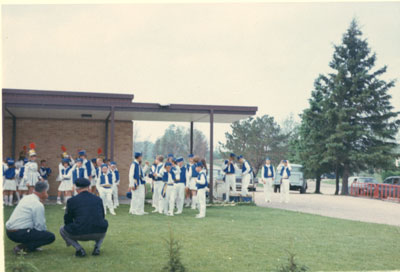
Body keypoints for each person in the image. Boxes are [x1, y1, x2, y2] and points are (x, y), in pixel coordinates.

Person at [60, 178, 108, 257]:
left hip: (79, 233)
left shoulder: (71, 201)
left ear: (76, 189)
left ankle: (79, 249)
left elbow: (67, 219)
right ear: (89, 187)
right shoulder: (98, 199)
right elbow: (102, 216)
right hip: (98, 233)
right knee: (103, 224)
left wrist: (72, 227)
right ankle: (97, 248)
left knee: (62, 229)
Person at [5, 182, 55, 254]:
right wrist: (43, 234)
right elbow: (40, 226)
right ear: (44, 192)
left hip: (9, 232)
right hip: (19, 233)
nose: (47, 194)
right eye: (47, 192)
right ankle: (22, 247)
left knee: (36, 232)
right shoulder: (37, 204)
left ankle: (30, 246)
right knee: (50, 237)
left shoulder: (26, 198)